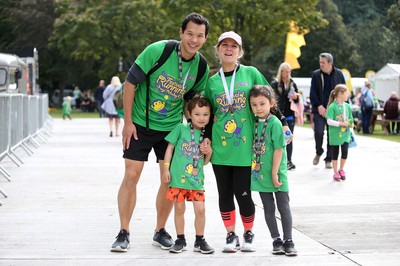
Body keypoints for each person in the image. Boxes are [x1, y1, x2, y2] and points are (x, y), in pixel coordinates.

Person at [110, 12, 210, 253]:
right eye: (189, 34)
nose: (193, 40)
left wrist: (194, 133)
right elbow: (130, 83)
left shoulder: (201, 66)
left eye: (199, 36)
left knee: (169, 181)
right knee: (132, 176)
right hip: (140, 125)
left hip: (171, 130)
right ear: (181, 32)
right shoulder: (158, 51)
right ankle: (124, 231)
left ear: (205, 38)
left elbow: (192, 102)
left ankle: (160, 230)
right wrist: (127, 122)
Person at [204, 31, 289, 253]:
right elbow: (206, 111)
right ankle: (231, 235)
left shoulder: (250, 73)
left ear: (240, 51)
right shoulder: (212, 81)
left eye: (234, 46)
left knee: (243, 193)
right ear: (218, 49)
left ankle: (248, 233)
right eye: (224, 45)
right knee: (224, 194)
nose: (229, 49)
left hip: (246, 147)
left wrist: (283, 121)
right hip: (220, 148)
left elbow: (268, 98)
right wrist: (205, 138)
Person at [248, 85, 297, 256]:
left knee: (283, 206)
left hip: (277, 173)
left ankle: (288, 240)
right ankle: (276, 240)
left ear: (271, 103)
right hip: (260, 173)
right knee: (268, 207)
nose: (258, 108)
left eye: (262, 103)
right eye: (254, 105)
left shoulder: (275, 123)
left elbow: (278, 150)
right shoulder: (253, 122)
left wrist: (275, 173)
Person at [162, 95, 214, 254]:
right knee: (179, 209)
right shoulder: (181, 128)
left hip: (196, 180)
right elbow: (170, 148)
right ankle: (180, 239)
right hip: (178, 179)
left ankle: (200, 240)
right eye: (197, 114)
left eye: (205, 114)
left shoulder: (207, 136)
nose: (201, 118)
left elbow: (205, 162)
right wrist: (165, 168)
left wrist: (209, 151)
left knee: (200, 210)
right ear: (189, 114)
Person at [310, 53, 345, 169]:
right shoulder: (316, 75)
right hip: (319, 109)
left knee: (332, 135)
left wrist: (341, 107)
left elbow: (343, 91)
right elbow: (313, 93)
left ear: (330, 63)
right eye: (320, 62)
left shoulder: (339, 74)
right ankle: (319, 151)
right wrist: (319, 106)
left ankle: (328, 159)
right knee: (319, 132)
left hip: (334, 110)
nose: (321, 64)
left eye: (323, 62)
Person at [270, 62, 300, 170]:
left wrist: (295, 97)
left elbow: (297, 100)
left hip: (290, 115)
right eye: (286, 71)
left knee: (289, 137)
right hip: (278, 115)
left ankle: (289, 160)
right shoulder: (275, 84)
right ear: (281, 72)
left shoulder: (292, 84)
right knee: (278, 138)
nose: (288, 74)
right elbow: (271, 98)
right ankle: (278, 160)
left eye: (289, 72)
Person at [325, 84, 353, 181]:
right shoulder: (332, 106)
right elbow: (329, 121)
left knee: (345, 152)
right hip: (335, 134)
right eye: (346, 93)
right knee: (335, 153)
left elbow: (350, 118)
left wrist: (351, 124)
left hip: (345, 134)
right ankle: (335, 172)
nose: (347, 95)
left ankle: (341, 169)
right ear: (340, 94)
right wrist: (340, 124)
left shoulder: (347, 106)